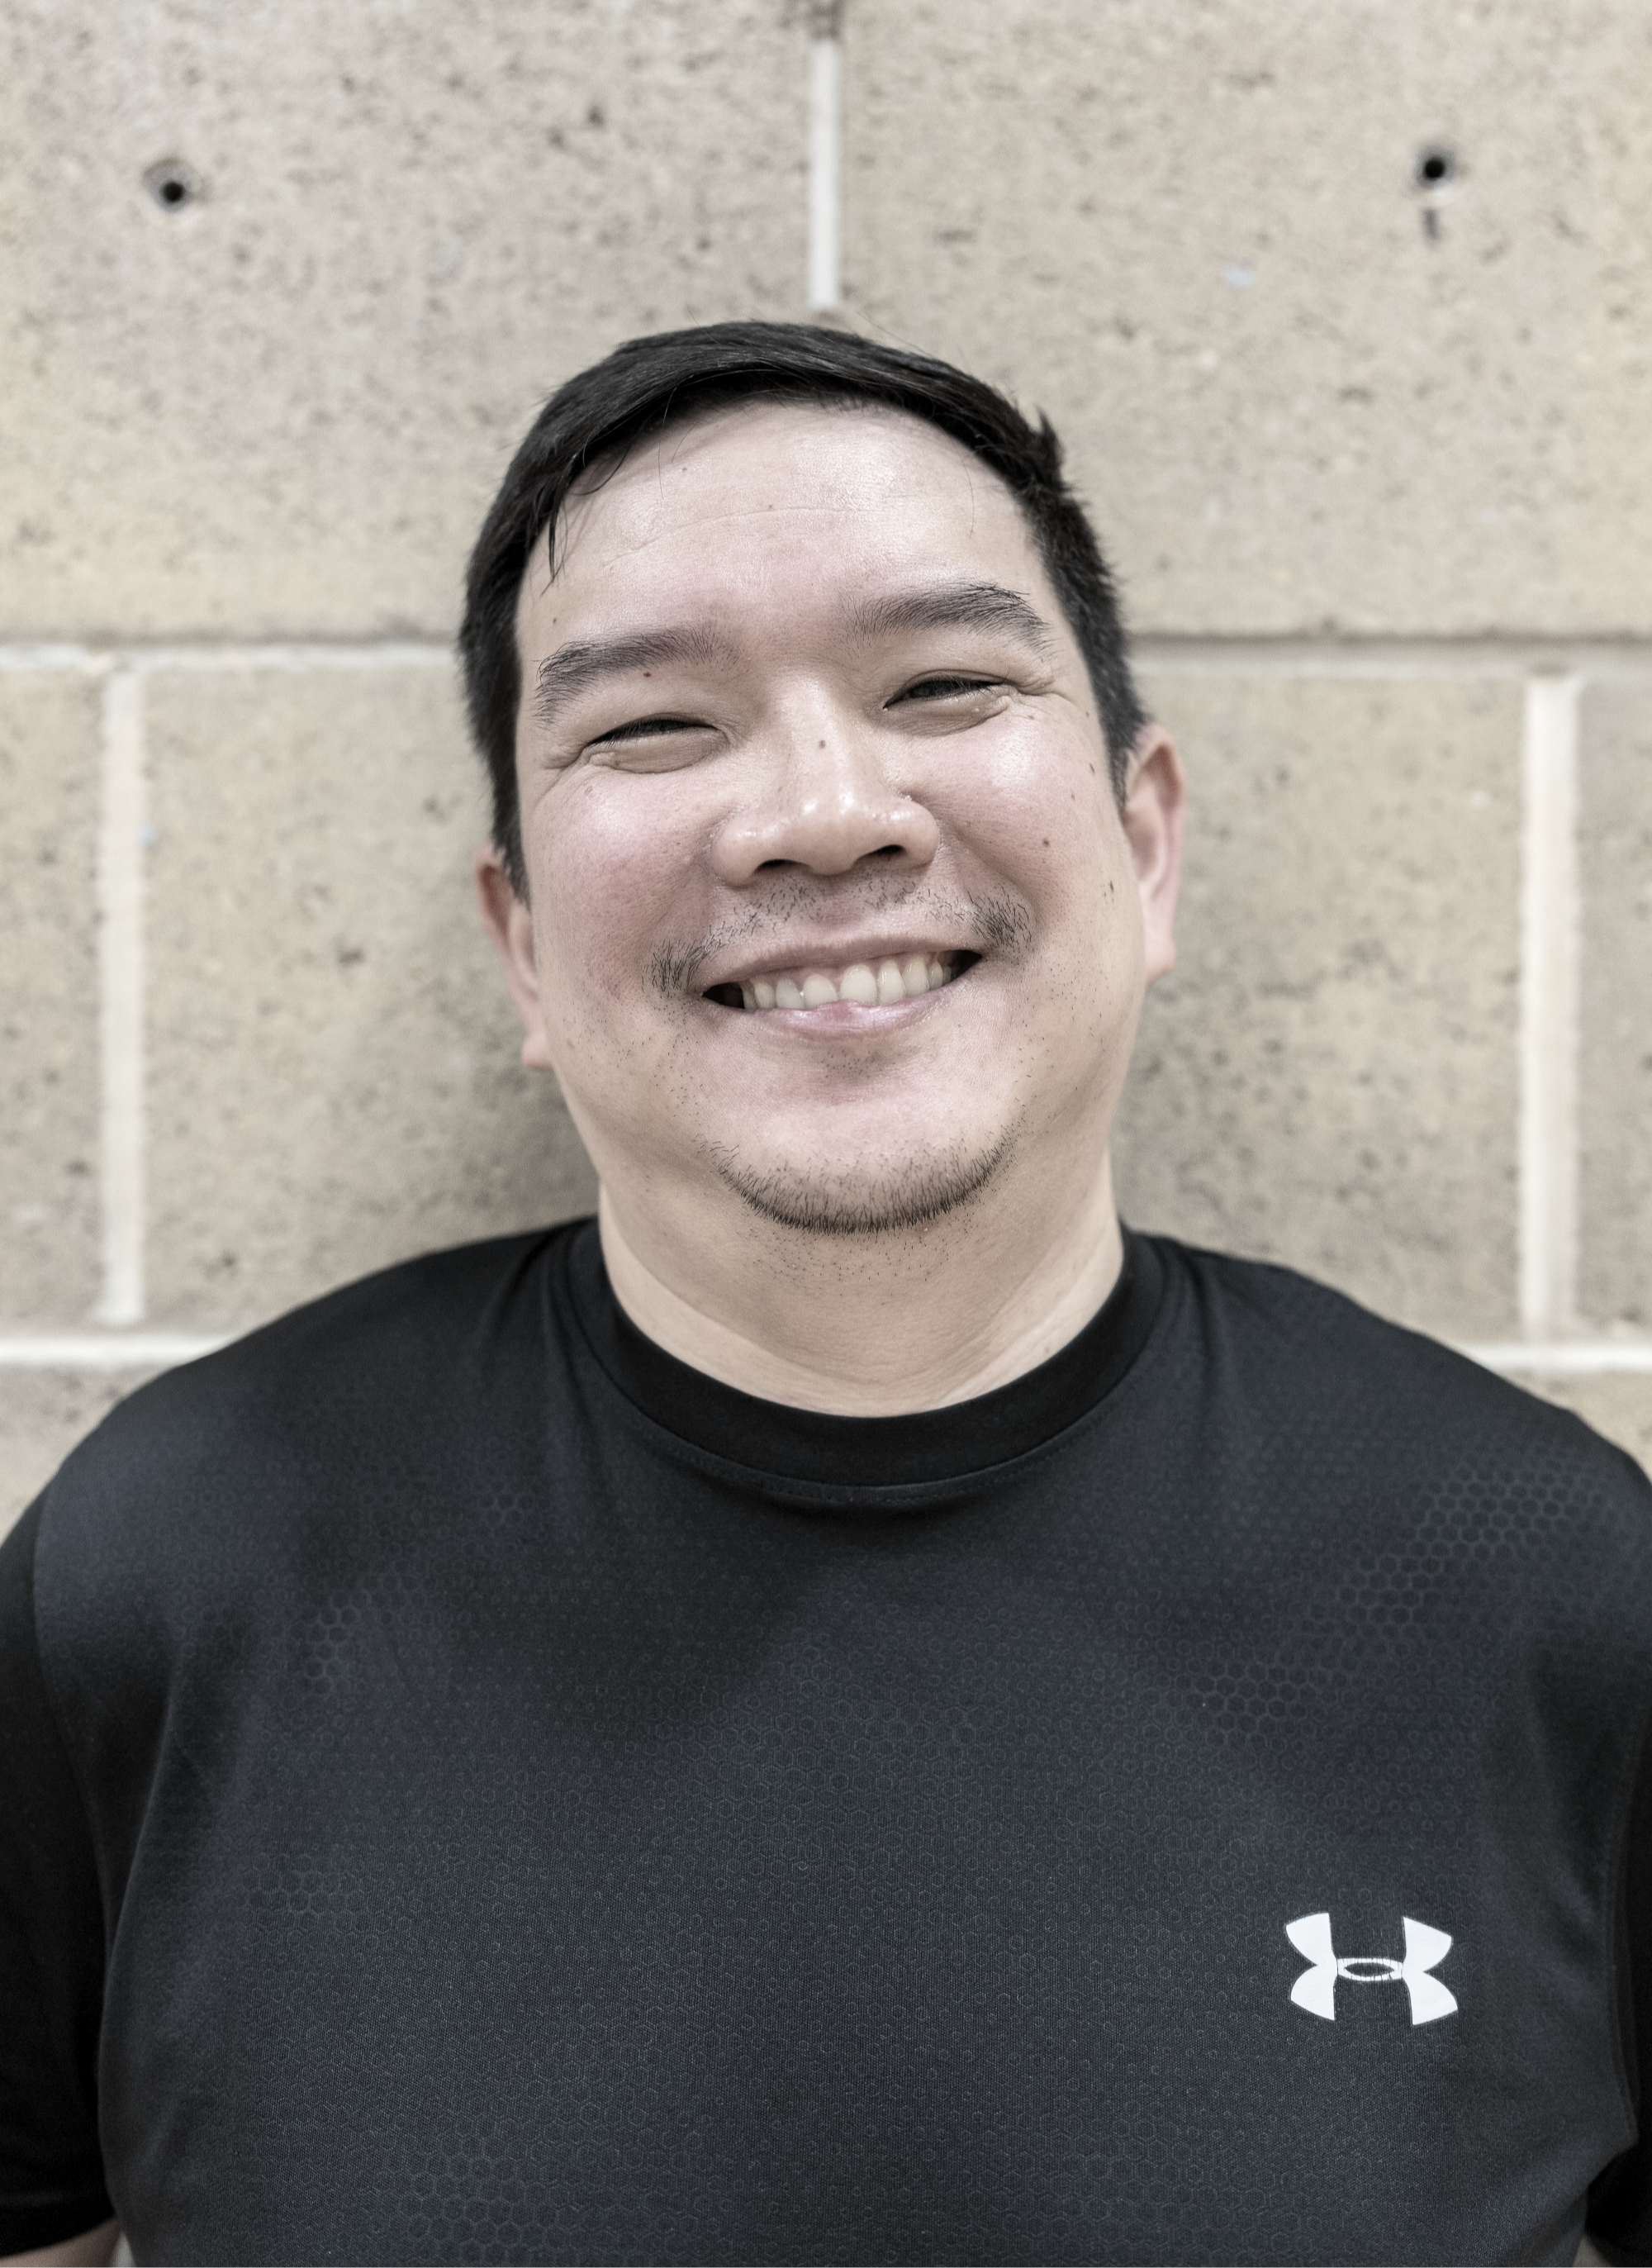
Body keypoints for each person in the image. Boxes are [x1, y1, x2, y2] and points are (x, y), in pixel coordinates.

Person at [2, 321, 1649, 2268]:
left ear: (1145, 842)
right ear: (520, 941)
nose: (820, 810)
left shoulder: (1547, 1586)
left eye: (944, 681)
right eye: (649, 726)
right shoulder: (175, 1567)